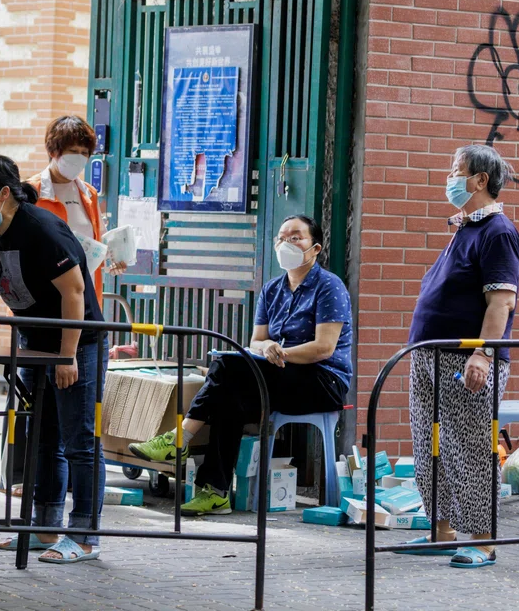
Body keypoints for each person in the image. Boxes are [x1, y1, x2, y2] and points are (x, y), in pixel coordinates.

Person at [128, 215, 352, 516]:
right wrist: (267, 347)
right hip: (282, 374)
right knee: (227, 394)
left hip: (323, 381)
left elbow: (324, 348)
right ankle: (215, 493)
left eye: (296, 237)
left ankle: (179, 439)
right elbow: (256, 340)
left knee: (228, 368)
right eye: (282, 237)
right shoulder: (273, 289)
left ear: (315, 248)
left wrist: (280, 352)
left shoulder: (329, 287)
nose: (287, 243)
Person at [0, 154, 107, 564]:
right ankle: (45, 529)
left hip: (76, 345)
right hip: (34, 344)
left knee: (79, 439)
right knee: (43, 439)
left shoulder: (41, 229)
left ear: (3, 193)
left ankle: (84, 537)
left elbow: (74, 292)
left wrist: (67, 357)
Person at [396, 145, 519, 568]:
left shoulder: (498, 232)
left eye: (457, 170)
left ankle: (482, 540)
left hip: (464, 359)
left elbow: (500, 302)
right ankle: (442, 531)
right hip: (430, 356)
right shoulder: (467, 227)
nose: (450, 177)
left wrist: (483, 354)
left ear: (480, 180)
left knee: (468, 450)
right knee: (431, 448)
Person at [27, 115, 127, 308]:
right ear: (53, 151)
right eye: (73, 151)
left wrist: (114, 260)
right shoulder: (30, 192)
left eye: (84, 153)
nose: (79, 158)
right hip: (42, 300)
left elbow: (99, 244)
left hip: (85, 299)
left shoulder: (88, 194)